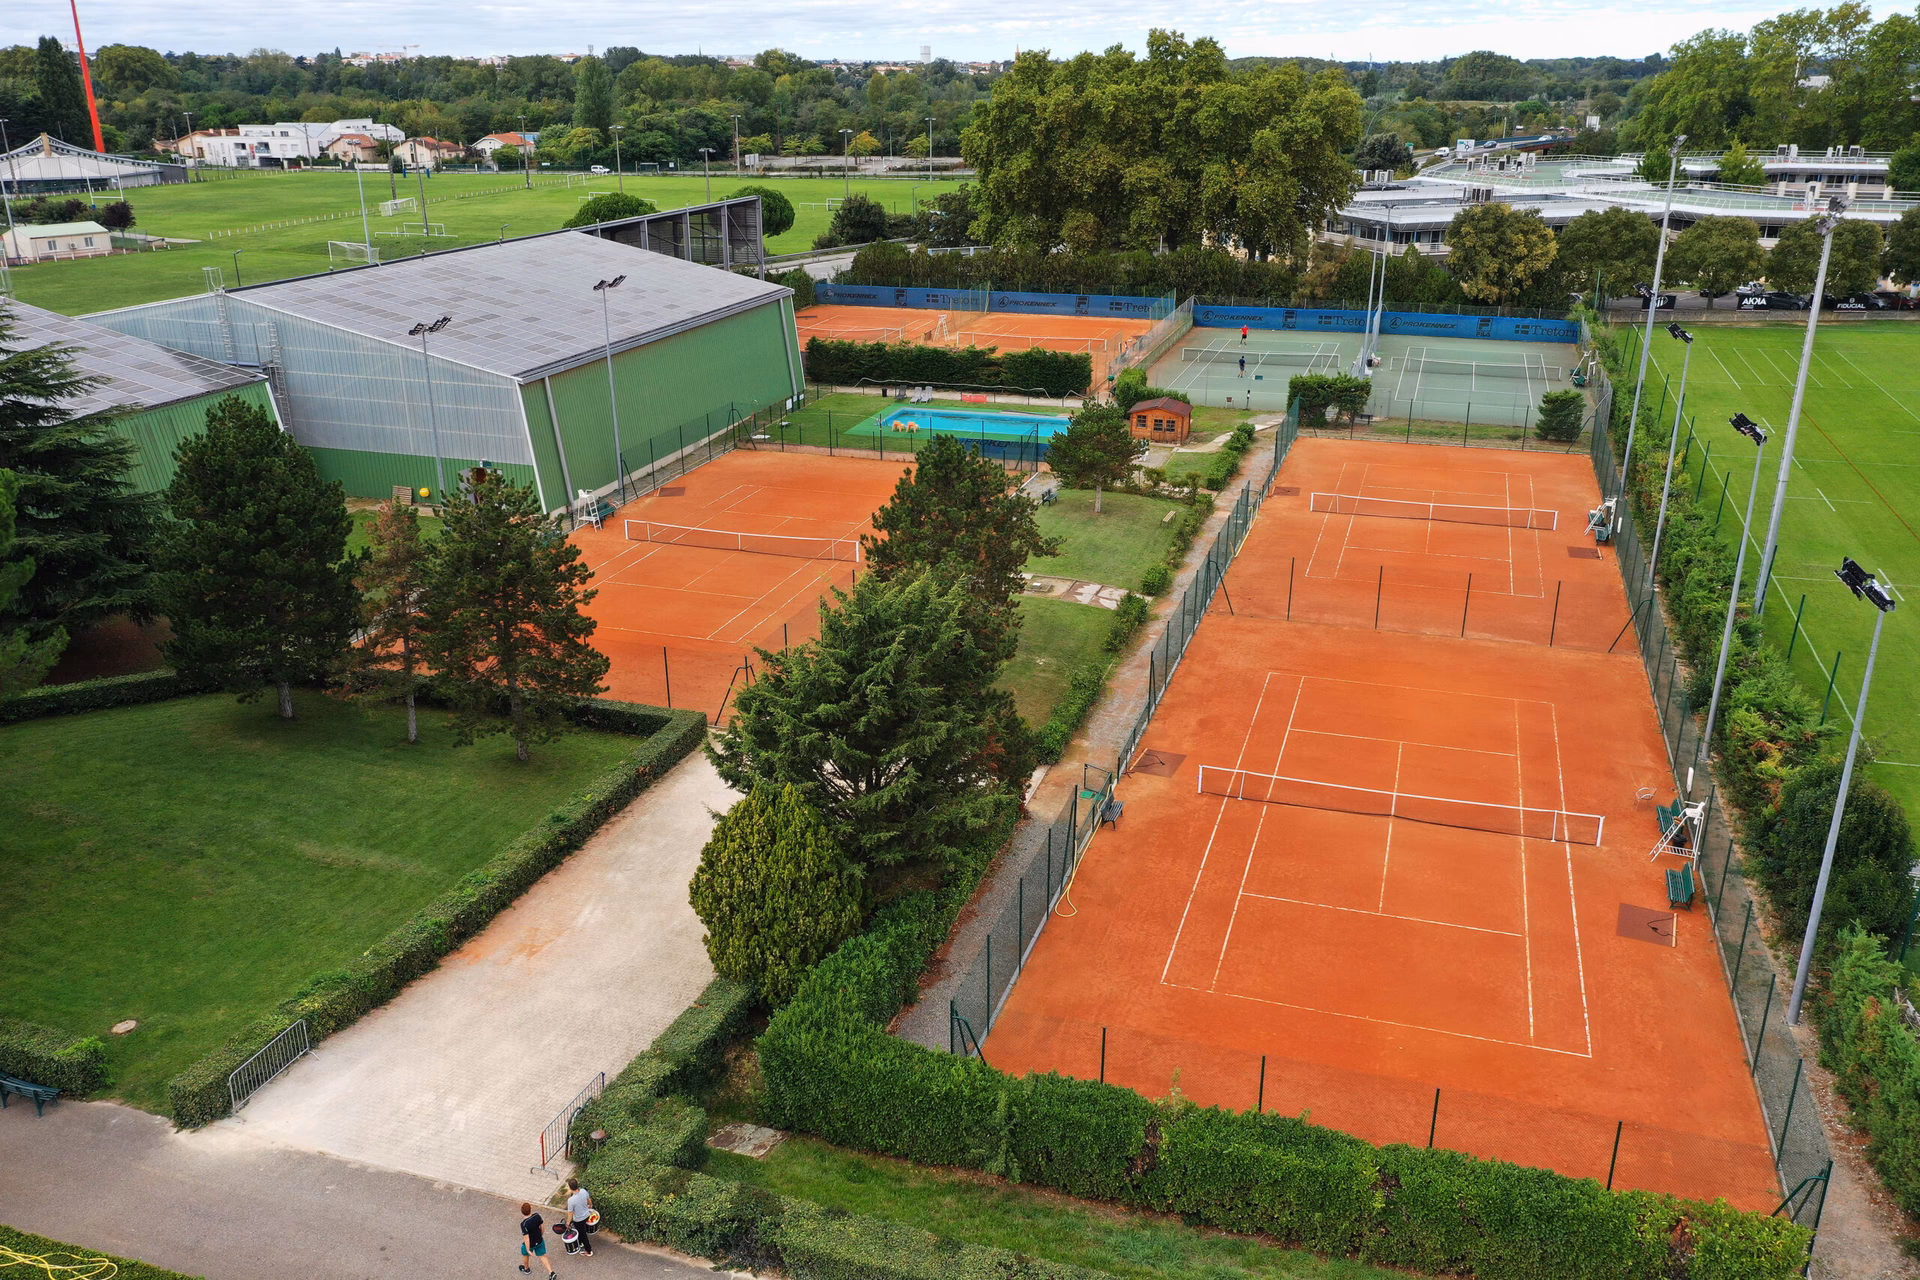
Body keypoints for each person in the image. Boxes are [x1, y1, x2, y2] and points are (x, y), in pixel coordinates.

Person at [518, 1202, 556, 1276]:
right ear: (530, 1209)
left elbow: (526, 1238)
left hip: (531, 1244)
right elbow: (542, 1226)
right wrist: (541, 1234)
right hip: (539, 1240)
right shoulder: (537, 1216)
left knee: (525, 1255)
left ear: (522, 1212)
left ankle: (526, 1269)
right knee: (542, 1256)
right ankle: (551, 1272)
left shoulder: (524, 1224)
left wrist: (528, 1249)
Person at [565, 1178, 596, 1258]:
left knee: (583, 1234)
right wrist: (590, 1205)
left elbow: (570, 1213)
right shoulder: (583, 1191)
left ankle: (588, 1251)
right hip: (587, 1215)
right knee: (582, 1230)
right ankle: (581, 1242)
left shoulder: (571, 1200)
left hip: (578, 1219)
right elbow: (589, 1199)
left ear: (570, 1187)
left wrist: (568, 1222)